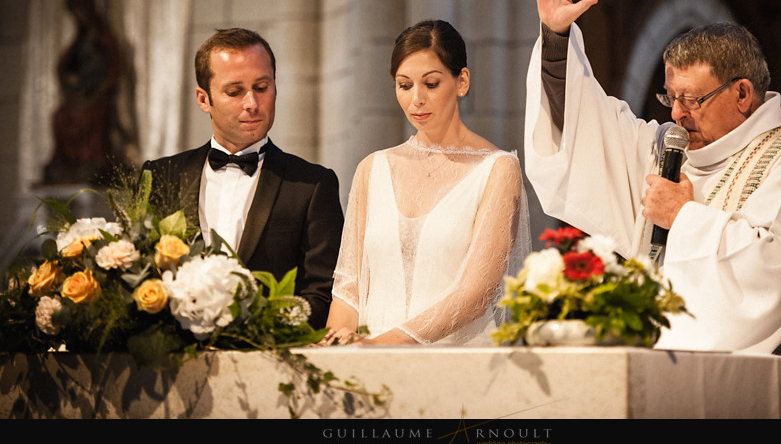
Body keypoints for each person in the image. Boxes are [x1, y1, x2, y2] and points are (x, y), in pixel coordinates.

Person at [524, 0, 781, 358]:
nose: (678, 115)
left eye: (693, 100)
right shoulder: (668, 150)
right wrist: (556, 37)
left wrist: (682, 217)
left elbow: (770, 277)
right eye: (670, 98)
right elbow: (584, 126)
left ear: (742, 93)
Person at [322, 20, 530, 346]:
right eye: (405, 86)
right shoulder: (372, 169)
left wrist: (382, 345)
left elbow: (475, 294)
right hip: (369, 366)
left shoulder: (498, 169)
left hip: (455, 362)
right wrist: (333, 350)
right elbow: (349, 288)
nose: (416, 99)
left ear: (462, 81)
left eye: (431, 84)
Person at [141, 28, 343, 329]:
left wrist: (256, 330)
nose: (252, 103)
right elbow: (139, 277)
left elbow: (323, 293)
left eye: (261, 87)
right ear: (203, 99)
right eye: (235, 92)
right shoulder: (159, 177)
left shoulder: (312, 185)